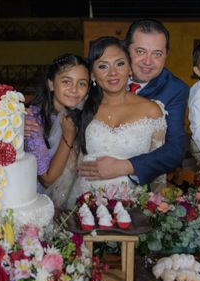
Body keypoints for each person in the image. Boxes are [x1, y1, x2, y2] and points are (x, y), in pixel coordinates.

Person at [78, 19, 189, 188]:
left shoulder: (175, 89)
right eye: (140, 51)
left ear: (166, 54)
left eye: (157, 54)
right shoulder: (101, 78)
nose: (148, 61)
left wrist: (124, 167)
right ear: (126, 49)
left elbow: (174, 150)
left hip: (135, 188)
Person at [72, 37, 167, 202]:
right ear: (93, 75)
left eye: (120, 64)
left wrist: (157, 209)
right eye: (103, 66)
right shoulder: (81, 108)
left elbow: (158, 171)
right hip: (85, 202)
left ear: (130, 69)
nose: (113, 73)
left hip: (133, 204)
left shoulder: (151, 110)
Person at [24, 54, 90, 210]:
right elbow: (47, 178)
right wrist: (68, 136)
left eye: (82, 83)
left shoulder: (85, 115)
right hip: (38, 205)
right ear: (51, 84)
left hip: (75, 203)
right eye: (66, 81)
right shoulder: (33, 119)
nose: (74, 89)